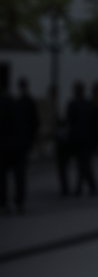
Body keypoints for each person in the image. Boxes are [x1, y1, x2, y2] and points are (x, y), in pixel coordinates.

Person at [1, 78, 39, 213]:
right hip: (19, 145)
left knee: (5, 176)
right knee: (19, 175)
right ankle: (18, 202)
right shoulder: (27, 102)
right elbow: (34, 123)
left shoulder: (6, 102)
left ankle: (5, 202)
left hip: (7, 145)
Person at [66, 82, 98, 197]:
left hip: (80, 139)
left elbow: (70, 122)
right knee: (84, 164)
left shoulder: (74, 104)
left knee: (83, 164)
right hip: (85, 139)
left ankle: (85, 187)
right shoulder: (87, 104)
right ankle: (89, 187)